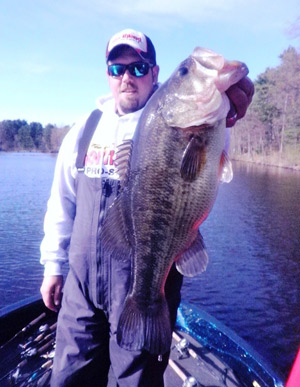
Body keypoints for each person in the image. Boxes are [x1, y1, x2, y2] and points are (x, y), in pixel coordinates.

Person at [40, 28, 254, 386]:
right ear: (107, 74)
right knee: (68, 374)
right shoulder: (83, 130)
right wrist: (52, 266)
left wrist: (228, 107)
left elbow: (212, 148)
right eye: (117, 68)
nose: (127, 77)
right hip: (80, 288)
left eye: (138, 68)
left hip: (140, 280)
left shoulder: (176, 118)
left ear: (155, 73)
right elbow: (62, 203)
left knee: (134, 379)